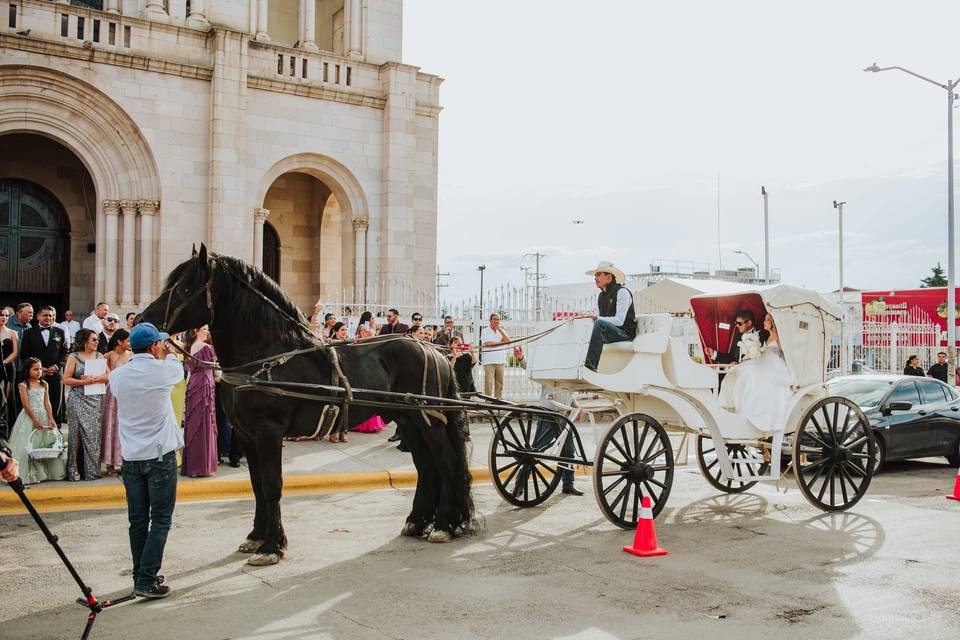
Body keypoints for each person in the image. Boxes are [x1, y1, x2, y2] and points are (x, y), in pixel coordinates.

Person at [109, 322, 183, 599]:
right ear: (153, 346)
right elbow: (177, 363)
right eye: (159, 343)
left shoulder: (118, 375)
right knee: (161, 519)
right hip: (159, 455)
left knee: (137, 520)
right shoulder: (165, 369)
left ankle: (141, 573)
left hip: (132, 457)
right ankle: (146, 578)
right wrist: (169, 348)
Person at [514, 347, 582, 495]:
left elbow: (568, 394)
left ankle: (568, 484)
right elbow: (533, 369)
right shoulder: (549, 368)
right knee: (536, 452)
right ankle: (520, 484)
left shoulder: (569, 371)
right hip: (548, 414)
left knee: (568, 452)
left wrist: (576, 407)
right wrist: (521, 358)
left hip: (563, 416)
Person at [718, 313, 793, 430]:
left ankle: (754, 414)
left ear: (772, 322)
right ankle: (734, 408)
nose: (764, 322)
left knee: (753, 378)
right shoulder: (768, 336)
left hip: (774, 364)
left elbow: (782, 352)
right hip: (763, 362)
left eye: (766, 320)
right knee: (739, 374)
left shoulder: (776, 337)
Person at [7, 358, 66, 484]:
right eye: (35, 369)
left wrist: (51, 418)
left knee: (46, 444)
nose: (39, 371)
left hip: (44, 415)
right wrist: (35, 420)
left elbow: (47, 402)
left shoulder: (44, 384)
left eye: (40, 368)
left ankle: (47, 473)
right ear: (28, 370)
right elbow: (26, 405)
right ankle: (29, 474)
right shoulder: (23, 385)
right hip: (30, 416)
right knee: (28, 445)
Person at [63, 328, 107, 481]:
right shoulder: (73, 357)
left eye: (97, 340)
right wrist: (83, 381)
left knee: (93, 435)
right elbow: (66, 379)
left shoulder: (99, 356)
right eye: (94, 339)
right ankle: (73, 469)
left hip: (95, 399)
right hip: (77, 399)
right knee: (75, 435)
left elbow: (108, 375)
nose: (97, 342)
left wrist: (94, 379)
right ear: (85, 341)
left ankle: (92, 471)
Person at [582, 262, 637, 372]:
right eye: (595, 276)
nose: (595, 278)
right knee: (584, 326)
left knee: (599, 323)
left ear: (609, 277)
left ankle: (590, 368)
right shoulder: (601, 296)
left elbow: (619, 321)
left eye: (598, 275)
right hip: (611, 332)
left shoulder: (622, 292)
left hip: (625, 333)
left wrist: (597, 318)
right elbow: (602, 319)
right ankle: (578, 364)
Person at [20, 306, 68, 424]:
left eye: (51, 316)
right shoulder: (28, 333)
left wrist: (57, 366)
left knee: (55, 401)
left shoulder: (60, 332)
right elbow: (24, 353)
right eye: (45, 315)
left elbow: (65, 352)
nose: (48, 318)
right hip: (35, 375)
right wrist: (38, 368)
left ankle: (55, 430)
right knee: (37, 402)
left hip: (55, 374)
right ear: (38, 317)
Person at [181, 326, 218, 477]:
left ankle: (194, 465)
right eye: (204, 329)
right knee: (203, 421)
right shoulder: (206, 347)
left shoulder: (191, 347)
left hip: (195, 382)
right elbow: (214, 365)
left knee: (196, 421)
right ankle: (202, 466)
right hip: (204, 383)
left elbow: (189, 367)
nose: (207, 331)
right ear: (196, 330)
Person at [102, 329, 132, 476]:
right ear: (119, 341)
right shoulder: (109, 356)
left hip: (127, 393)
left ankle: (124, 460)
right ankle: (111, 462)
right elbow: (107, 375)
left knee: (125, 426)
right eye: (128, 340)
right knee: (112, 425)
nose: (130, 343)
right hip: (113, 392)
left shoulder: (131, 355)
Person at [480, 313, 510, 398]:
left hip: (500, 360)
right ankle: (488, 401)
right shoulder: (485, 331)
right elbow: (488, 344)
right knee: (489, 383)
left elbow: (508, 341)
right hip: (489, 361)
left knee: (499, 383)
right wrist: (501, 343)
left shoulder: (502, 330)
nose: (496, 321)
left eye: (498, 319)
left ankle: (498, 400)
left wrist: (500, 330)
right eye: (494, 319)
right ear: (490, 320)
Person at [0, 307, 19, 434]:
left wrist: (3, 363)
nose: (4, 318)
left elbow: (16, 352)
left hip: (7, 368)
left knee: (6, 399)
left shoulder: (12, 332)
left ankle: (5, 430)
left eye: (7, 316)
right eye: (1, 315)